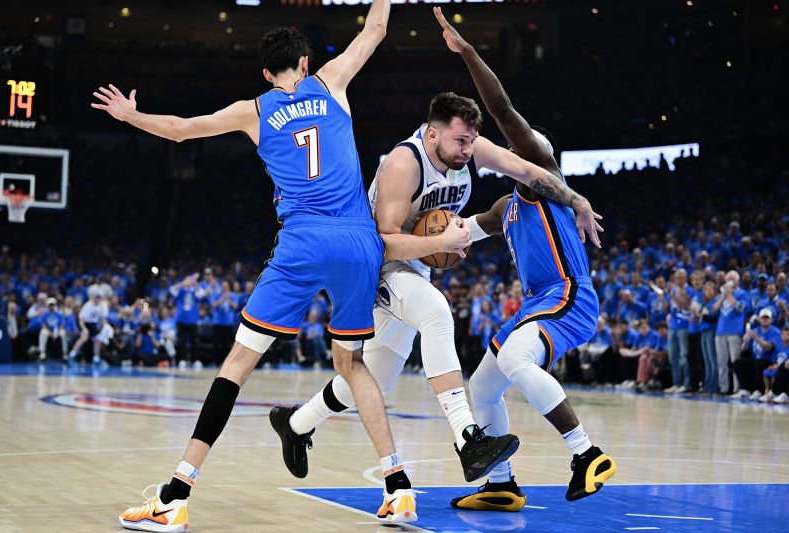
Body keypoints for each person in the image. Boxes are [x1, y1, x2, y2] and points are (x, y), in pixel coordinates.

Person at [95, 2, 421, 528]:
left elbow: (180, 129)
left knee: (238, 365)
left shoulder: (254, 109)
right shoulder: (333, 81)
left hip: (305, 241)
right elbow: (378, 28)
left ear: (267, 73)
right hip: (361, 242)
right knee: (352, 364)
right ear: (307, 63)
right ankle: (398, 484)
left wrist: (131, 116)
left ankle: (175, 495)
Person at [274, 87, 603, 489]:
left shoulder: (467, 147)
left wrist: (578, 199)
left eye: (471, 142)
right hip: (373, 265)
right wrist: (441, 244)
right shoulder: (403, 164)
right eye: (460, 141)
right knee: (435, 311)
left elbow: (530, 171)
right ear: (433, 134)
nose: (467, 150)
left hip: (413, 265)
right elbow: (384, 241)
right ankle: (468, 439)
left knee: (378, 376)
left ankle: (295, 423)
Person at [433, 8, 615, 511]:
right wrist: (417, 240)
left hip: (569, 295)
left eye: (526, 148)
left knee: (514, 359)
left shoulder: (542, 183)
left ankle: (586, 454)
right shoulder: (506, 207)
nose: (518, 151)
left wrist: (467, 52)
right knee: (483, 385)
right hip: (539, 302)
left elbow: (503, 109)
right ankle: (502, 484)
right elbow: (460, 232)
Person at [713, 270, 751, 394]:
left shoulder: (742, 294)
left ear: (737, 281)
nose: (729, 281)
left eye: (732, 278)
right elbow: (714, 309)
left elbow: (741, 309)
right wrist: (723, 296)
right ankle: (723, 388)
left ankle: (737, 388)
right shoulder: (722, 293)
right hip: (720, 332)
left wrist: (729, 296)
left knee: (735, 362)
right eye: (728, 278)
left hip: (735, 331)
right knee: (721, 362)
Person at [731, 308, 781, 400]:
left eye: (767, 318)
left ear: (771, 320)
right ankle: (745, 389)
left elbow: (768, 347)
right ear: (759, 319)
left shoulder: (775, 332)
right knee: (737, 363)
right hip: (755, 359)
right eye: (763, 318)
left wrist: (756, 337)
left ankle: (759, 390)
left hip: (768, 360)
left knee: (759, 363)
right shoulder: (755, 330)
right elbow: (743, 350)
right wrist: (745, 342)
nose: (765, 320)